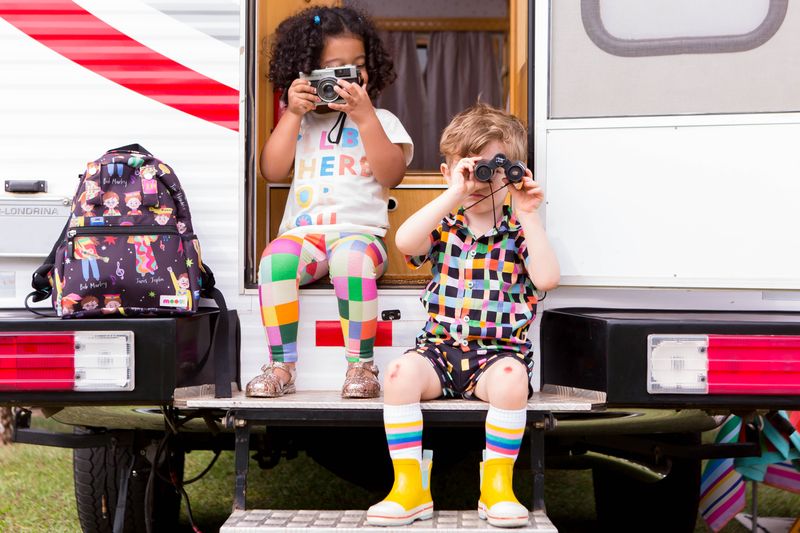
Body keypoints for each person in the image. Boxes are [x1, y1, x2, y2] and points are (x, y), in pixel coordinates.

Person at [366, 103, 560, 527]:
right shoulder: (445, 224)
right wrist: (453, 193)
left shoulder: (517, 230)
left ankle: (497, 488)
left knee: (513, 381)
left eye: (492, 169)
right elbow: (407, 241)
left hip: (496, 357)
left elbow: (545, 278)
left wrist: (528, 213)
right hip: (440, 352)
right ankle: (408, 488)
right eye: (468, 171)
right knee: (398, 374)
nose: (479, 182)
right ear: (447, 172)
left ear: (513, 172)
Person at [247, 6, 413, 399]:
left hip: (362, 236)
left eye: (358, 66)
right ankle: (281, 365)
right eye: (336, 69)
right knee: (274, 262)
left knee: (350, 263)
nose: (350, 78)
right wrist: (291, 112)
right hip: (305, 236)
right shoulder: (301, 123)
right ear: (307, 74)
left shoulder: (381, 119)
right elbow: (271, 169)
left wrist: (366, 117)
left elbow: (392, 174)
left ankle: (361, 366)